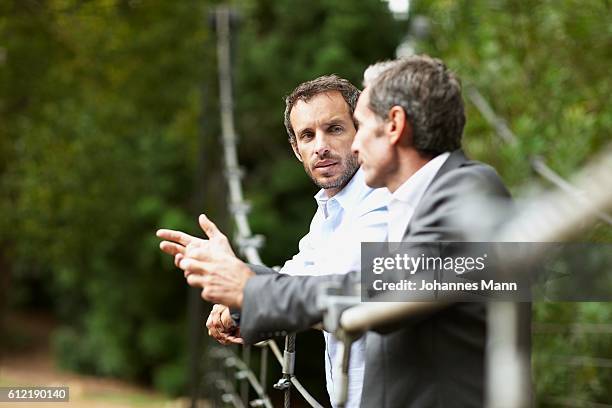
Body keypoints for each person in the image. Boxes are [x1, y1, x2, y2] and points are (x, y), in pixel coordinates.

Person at [162, 55, 531, 407]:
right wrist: (241, 282)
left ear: (395, 125)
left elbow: (373, 289)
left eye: (358, 126)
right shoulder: (418, 198)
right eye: (307, 136)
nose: (351, 144)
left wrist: (248, 289)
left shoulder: (466, 191)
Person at [158, 75, 390, 407]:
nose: (320, 146)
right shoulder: (330, 209)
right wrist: (238, 293)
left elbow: (336, 290)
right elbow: (295, 277)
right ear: (297, 150)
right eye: (307, 135)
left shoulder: (382, 203)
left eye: (334, 129)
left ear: (361, 133)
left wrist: (242, 288)